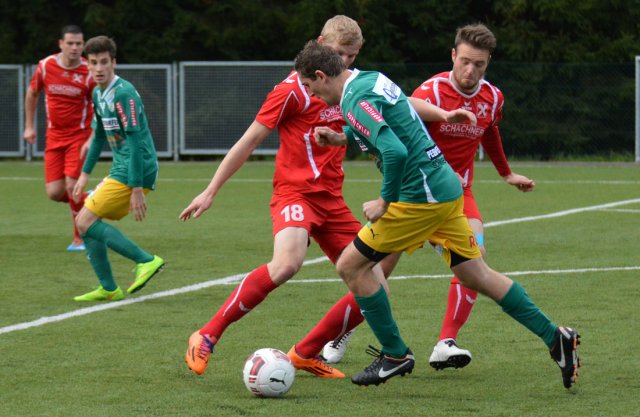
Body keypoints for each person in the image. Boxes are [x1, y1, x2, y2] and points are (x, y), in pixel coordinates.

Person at [180, 15, 473, 379]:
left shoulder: (351, 82)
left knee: (375, 285)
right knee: (287, 263)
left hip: (332, 199)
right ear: (320, 45)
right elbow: (250, 139)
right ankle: (208, 334)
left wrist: (442, 114)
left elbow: (403, 101)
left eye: (351, 56)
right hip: (295, 192)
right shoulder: (293, 89)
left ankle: (304, 352)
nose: (344, 62)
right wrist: (211, 190)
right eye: (338, 53)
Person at [293, 40, 580, 388]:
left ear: (321, 75)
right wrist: (342, 139)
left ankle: (394, 354)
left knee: (350, 266)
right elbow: (398, 121)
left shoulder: (353, 99)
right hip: (445, 187)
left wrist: (384, 201)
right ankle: (556, 337)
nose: (312, 94)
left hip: (420, 198)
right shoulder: (370, 79)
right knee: (477, 274)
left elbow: (395, 151)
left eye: (309, 86)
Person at [320, 23, 537, 371]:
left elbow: (490, 132)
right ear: (453, 55)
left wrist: (506, 173)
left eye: (479, 64)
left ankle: (446, 342)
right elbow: (391, 125)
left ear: (488, 63)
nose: (470, 70)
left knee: (476, 259)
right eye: (465, 61)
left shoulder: (493, 97)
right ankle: (341, 335)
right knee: (374, 271)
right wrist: (349, 140)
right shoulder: (431, 92)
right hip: (415, 193)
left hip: (457, 192)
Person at [70, 36, 164, 301]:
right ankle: (109, 288)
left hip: (137, 168)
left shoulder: (123, 93)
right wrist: (84, 174)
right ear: (87, 65)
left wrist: (136, 188)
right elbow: (99, 136)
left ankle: (146, 260)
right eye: (93, 63)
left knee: (84, 221)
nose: (98, 68)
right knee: (86, 222)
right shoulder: (98, 93)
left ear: (114, 62)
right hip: (122, 167)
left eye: (104, 62)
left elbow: (134, 142)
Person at [24, 25, 97, 251]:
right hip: (54, 137)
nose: (75, 47)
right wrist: (29, 126)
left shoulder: (89, 71)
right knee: (55, 193)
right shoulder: (46, 66)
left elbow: (100, 107)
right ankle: (90, 201)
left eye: (79, 43)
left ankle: (80, 237)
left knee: (72, 185)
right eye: (70, 43)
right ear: (61, 44)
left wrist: (92, 138)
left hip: (79, 136)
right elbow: (32, 93)